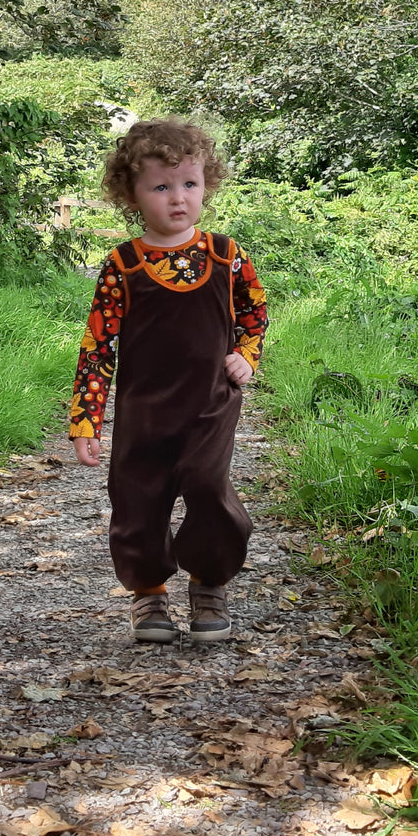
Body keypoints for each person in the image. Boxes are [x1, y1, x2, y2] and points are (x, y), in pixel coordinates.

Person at [69, 118, 268, 644]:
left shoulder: (226, 257)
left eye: (190, 184)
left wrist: (246, 354)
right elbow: (98, 345)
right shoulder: (122, 266)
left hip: (210, 403)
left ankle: (208, 581)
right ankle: (150, 593)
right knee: (138, 500)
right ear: (130, 195)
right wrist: (87, 418)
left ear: (207, 185)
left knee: (207, 487)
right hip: (144, 411)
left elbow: (255, 311)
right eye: (160, 186)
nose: (177, 199)